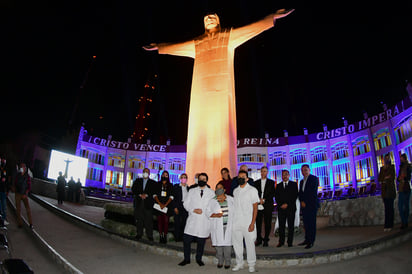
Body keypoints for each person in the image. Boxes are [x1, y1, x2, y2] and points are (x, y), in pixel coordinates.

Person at [143, 9, 294, 187]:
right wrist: (160, 47)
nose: (208, 19)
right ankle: (194, 181)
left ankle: (221, 181)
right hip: (200, 95)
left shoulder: (227, 35)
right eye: (206, 18)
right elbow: (178, 46)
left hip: (221, 94)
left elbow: (250, 29)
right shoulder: (198, 42)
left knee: (222, 133)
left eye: (212, 17)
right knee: (197, 132)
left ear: (219, 21)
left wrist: (271, 17)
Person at [179, 172, 214, 267]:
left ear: (206, 181)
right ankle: (186, 259)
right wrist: (193, 210)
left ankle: (199, 259)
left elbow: (212, 206)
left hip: (204, 220)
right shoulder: (192, 191)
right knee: (186, 240)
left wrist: (205, 211)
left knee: (201, 242)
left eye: (204, 179)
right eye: (200, 179)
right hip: (193, 219)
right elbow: (186, 203)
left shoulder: (211, 193)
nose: (201, 180)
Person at [232, 170, 260, 273]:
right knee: (237, 244)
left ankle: (251, 264)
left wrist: (252, 223)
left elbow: (255, 207)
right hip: (236, 221)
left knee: (250, 244)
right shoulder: (235, 191)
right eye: (239, 177)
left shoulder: (252, 190)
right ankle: (239, 263)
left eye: (243, 177)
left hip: (248, 222)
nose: (241, 178)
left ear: (247, 178)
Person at [207, 182, 234, 269]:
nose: (219, 190)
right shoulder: (212, 200)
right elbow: (207, 212)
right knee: (218, 246)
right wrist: (215, 215)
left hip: (228, 225)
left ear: (224, 189)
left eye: (220, 188)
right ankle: (220, 260)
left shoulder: (230, 199)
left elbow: (236, 210)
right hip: (217, 226)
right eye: (217, 188)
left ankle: (228, 261)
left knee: (228, 246)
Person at [131, 168, 157, 241]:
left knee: (148, 220)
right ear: (142, 173)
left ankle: (149, 235)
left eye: (147, 172)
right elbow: (133, 189)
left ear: (149, 174)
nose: (145, 173)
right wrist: (140, 195)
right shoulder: (137, 181)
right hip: (139, 203)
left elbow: (154, 191)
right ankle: (139, 234)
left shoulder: (153, 183)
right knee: (139, 219)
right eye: (144, 172)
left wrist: (147, 195)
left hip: (148, 203)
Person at [274, 169, 298, 247]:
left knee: (291, 226)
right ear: (282, 176)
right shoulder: (278, 185)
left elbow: (294, 196)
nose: (285, 176)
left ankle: (290, 242)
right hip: (281, 209)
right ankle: (281, 242)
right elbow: (276, 197)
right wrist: (281, 204)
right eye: (283, 174)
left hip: (291, 208)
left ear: (289, 175)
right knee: (281, 226)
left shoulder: (294, 184)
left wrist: (287, 204)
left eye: (286, 174)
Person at [298, 164, 319, 249]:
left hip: (311, 205)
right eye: (302, 170)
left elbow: (312, 192)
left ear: (309, 170)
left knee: (311, 224)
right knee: (306, 224)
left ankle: (311, 241)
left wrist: (305, 201)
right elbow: (300, 193)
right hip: (304, 205)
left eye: (306, 170)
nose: (304, 172)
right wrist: (302, 201)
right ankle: (306, 239)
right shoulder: (301, 181)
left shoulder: (314, 179)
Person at [253, 166, 275, 247]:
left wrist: (264, 199)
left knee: (267, 223)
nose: (263, 173)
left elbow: (272, 193)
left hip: (267, 205)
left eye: (265, 171)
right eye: (262, 171)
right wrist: (259, 200)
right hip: (258, 205)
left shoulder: (271, 182)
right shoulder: (256, 182)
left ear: (267, 172)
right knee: (258, 223)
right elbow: (254, 193)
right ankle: (259, 239)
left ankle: (266, 239)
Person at [153, 176, 174, 244]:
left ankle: (165, 235)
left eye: (166, 175)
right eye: (163, 175)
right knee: (159, 221)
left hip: (167, 207)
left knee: (166, 221)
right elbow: (154, 195)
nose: (165, 176)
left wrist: (165, 205)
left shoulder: (170, 185)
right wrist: (160, 204)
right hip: (159, 206)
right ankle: (160, 235)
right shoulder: (157, 184)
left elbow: (171, 196)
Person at [378, 154, 396, 232]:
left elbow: (392, 177)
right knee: (386, 209)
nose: (386, 160)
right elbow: (380, 179)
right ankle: (386, 225)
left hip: (390, 190)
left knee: (390, 208)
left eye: (388, 158)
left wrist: (386, 178)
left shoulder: (392, 167)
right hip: (384, 192)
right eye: (385, 158)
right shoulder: (382, 169)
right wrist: (385, 177)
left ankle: (390, 224)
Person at [13, 163, 33, 229]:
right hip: (18, 193)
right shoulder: (18, 175)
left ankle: (30, 223)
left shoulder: (27, 176)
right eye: (20, 167)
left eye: (23, 167)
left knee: (28, 209)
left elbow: (29, 186)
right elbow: (15, 183)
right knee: (18, 209)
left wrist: (26, 193)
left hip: (24, 194)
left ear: (25, 168)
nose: (21, 168)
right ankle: (20, 223)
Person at [172, 173, 189, 242]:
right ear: (180, 179)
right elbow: (173, 198)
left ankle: (182, 237)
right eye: (182, 177)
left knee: (184, 223)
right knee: (177, 222)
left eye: (185, 177)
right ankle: (177, 237)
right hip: (178, 206)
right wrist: (175, 207)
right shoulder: (176, 186)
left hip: (185, 207)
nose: (183, 179)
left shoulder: (189, 188)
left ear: (187, 179)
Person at [397, 153, 411, 229]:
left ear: (404, 158)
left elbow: (408, 177)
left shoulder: (408, 166)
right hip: (401, 189)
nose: (400, 159)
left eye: (401, 158)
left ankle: (405, 222)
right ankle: (403, 221)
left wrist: (403, 178)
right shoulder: (401, 167)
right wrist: (399, 178)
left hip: (406, 188)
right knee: (400, 206)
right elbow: (397, 178)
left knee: (406, 206)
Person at [0, 157, 9, 225]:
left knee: (3, 205)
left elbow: (6, 181)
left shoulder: (6, 170)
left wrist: (7, 190)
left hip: (3, 190)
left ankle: (3, 219)